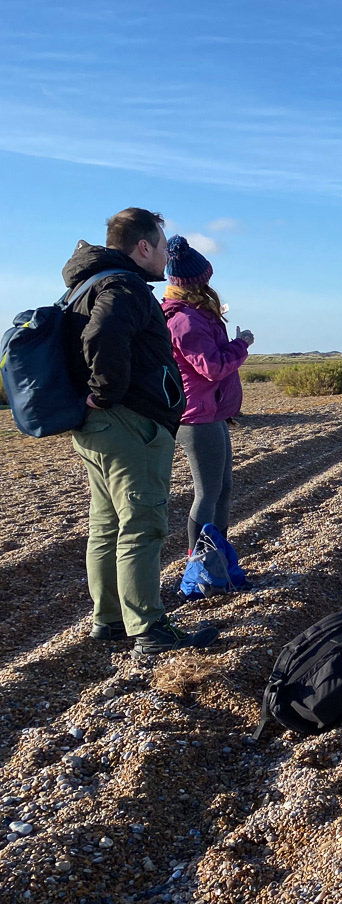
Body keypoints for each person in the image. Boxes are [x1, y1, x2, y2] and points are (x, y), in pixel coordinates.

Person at [64, 208, 218, 654]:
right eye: (164, 246)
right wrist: (106, 392)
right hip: (129, 424)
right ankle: (148, 629)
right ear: (143, 246)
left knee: (107, 523)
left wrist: (97, 399)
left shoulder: (87, 284)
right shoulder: (123, 285)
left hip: (100, 427)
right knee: (142, 523)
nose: (168, 258)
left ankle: (110, 619)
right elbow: (104, 334)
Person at [161, 235, 254, 555]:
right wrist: (242, 344)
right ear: (196, 281)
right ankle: (200, 563)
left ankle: (217, 556)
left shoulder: (195, 313)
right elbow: (212, 368)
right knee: (208, 493)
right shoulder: (185, 319)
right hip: (197, 417)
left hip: (210, 413)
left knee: (222, 489)